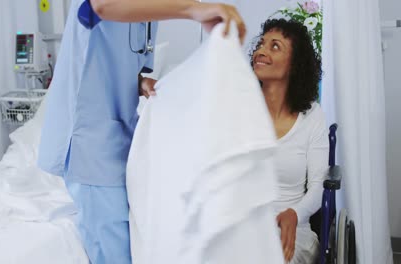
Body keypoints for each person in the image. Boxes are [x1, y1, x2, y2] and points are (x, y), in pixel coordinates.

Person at [37, 1, 246, 263]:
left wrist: (141, 83)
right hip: (90, 144)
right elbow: (102, 6)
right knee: (116, 253)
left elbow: (123, 66)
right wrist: (194, 9)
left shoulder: (147, 16)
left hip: (124, 141)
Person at [250, 18, 328, 263]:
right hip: (241, 222)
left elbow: (319, 184)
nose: (261, 51)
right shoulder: (239, 108)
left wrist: (296, 213)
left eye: (275, 46)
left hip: (291, 226)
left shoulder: (311, 116)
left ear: (295, 65)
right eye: (261, 44)